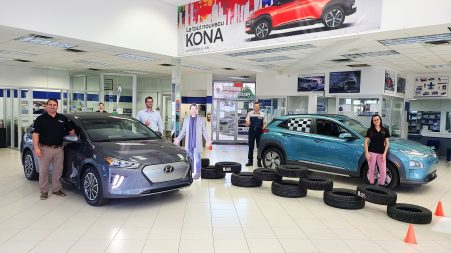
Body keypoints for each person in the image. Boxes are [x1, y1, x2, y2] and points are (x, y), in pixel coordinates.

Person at [32, 98, 75, 200]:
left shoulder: (62, 118)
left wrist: (73, 131)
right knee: (44, 171)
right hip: (44, 149)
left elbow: (71, 131)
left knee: (58, 171)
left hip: (59, 150)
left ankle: (56, 189)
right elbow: (35, 134)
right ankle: (44, 191)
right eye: (50, 105)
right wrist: (36, 148)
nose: (52, 106)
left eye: (54, 105)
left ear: (57, 106)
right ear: (46, 106)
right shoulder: (40, 119)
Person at [173, 103, 212, 179]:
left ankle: (198, 173)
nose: (193, 110)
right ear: (190, 110)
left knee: (197, 158)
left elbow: (204, 131)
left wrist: (208, 140)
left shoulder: (201, 119)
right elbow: (183, 131)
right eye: (192, 109)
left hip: (197, 142)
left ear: (196, 110)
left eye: (195, 109)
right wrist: (178, 139)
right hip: (189, 142)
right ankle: (191, 171)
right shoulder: (186, 119)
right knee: (190, 158)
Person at [364, 114, 390, 186]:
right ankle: (372, 185)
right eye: (374, 120)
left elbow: (387, 143)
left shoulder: (385, 130)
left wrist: (385, 154)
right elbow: (366, 142)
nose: (376, 121)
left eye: (377, 119)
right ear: (372, 121)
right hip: (371, 152)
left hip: (381, 153)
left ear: (380, 120)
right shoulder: (370, 130)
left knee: (383, 171)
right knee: (371, 170)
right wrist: (367, 153)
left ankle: (381, 185)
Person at [245, 101, 266, 167]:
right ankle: (250, 161)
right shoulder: (250, 114)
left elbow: (264, 124)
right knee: (251, 146)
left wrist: (263, 129)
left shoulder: (262, 114)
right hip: (251, 131)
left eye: (257, 106)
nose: (256, 107)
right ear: (253, 107)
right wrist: (247, 123)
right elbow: (247, 124)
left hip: (259, 132)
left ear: (259, 107)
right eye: (255, 106)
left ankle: (259, 161)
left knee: (259, 147)